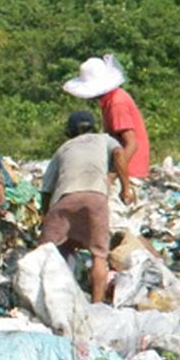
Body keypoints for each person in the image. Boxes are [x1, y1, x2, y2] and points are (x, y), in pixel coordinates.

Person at [39, 111, 133, 303]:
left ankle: (46, 299)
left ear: (70, 131)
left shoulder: (63, 148)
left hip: (66, 198)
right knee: (99, 255)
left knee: (45, 252)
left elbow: (46, 189)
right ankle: (96, 305)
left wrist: (45, 216)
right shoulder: (105, 139)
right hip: (96, 197)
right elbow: (119, 153)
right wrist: (126, 188)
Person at [64, 55, 149, 179]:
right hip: (123, 166)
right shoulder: (111, 100)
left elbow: (132, 144)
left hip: (128, 169)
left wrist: (113, 174)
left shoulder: (116, 103)